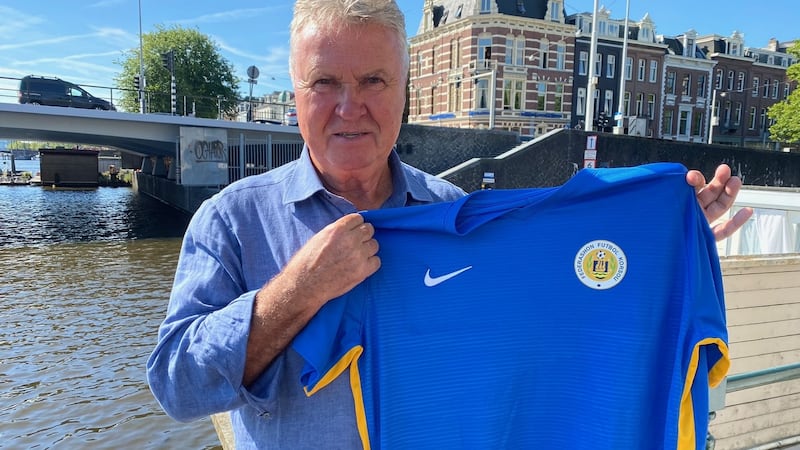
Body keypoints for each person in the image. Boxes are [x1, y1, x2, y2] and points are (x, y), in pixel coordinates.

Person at [146, 1, 753, 448]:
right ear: (297, 90)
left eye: (373, 81)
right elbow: (177, 386)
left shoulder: (451, 212)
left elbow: (534, 318)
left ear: (405, 89)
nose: (349, 106)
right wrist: (297, 291)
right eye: (324, 83)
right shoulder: (232, 219)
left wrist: (656, 248)